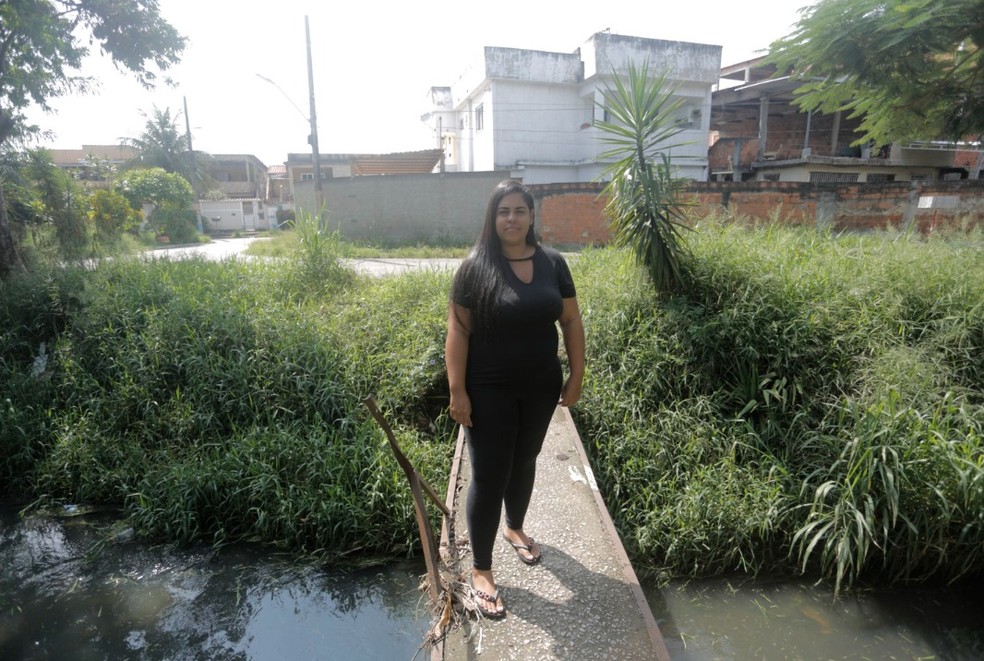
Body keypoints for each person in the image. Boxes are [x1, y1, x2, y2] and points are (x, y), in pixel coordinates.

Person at [445, 179, 585, 619]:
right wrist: (457, 391)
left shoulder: (553, 263)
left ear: (531, 216)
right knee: (489, 474)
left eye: (519, 211)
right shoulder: (474, 267)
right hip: (488, 390)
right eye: (503, 211)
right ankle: (482, 571)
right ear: (493, 217)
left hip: (541, 386)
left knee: (525, 459)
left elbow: (571, 319)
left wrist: (577, 373)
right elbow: (458, 331)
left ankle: (515, 528)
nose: (511, 218)